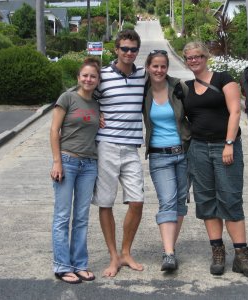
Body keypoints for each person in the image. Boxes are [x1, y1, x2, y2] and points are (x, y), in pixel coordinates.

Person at [182, 41, 248, 279]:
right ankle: (217, 251)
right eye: (189, 58)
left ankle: (241, 255)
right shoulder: (185, 88)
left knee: (230, 197)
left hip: (224, 147)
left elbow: (236, 111)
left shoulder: (224, 79)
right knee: (206, 199)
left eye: (198, 56)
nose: (194, 60)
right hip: (198, 148)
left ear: (206, 57)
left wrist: (228, 143)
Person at [91, 29, 146, 277]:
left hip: (132, 146)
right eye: (124, 48)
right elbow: (83, 96)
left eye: (133, 49)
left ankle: (125, 252)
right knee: (106, 202)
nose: (128, 53)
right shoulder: (101, 76)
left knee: (137, 201)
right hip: (107, 146)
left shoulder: (143, 76)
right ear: (116, 49)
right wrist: (95, 115)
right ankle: (113, 256)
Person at [50, 57, 101, 284]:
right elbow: (54, 131)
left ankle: (80, 264)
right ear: (78, 77)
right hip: (67, 162)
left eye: (93, 76)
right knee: (62, 217)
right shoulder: (68, 98)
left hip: (89, 165)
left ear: (98, 80)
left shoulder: (97, 104)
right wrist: (57, 161)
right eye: (85, 75)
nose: (88, 79)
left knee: (81, 218)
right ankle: (62, 265)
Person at [142, 50, 190, 271]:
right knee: (167, 200)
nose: (159, 70)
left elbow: (196, 111)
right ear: (148, 67)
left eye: (163, 66)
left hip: (184, 152)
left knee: (180, 201)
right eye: (155, 66)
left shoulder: (179, 88)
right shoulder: (142, 90)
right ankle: (168, 253)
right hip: (159, 155)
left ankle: (170, 246)